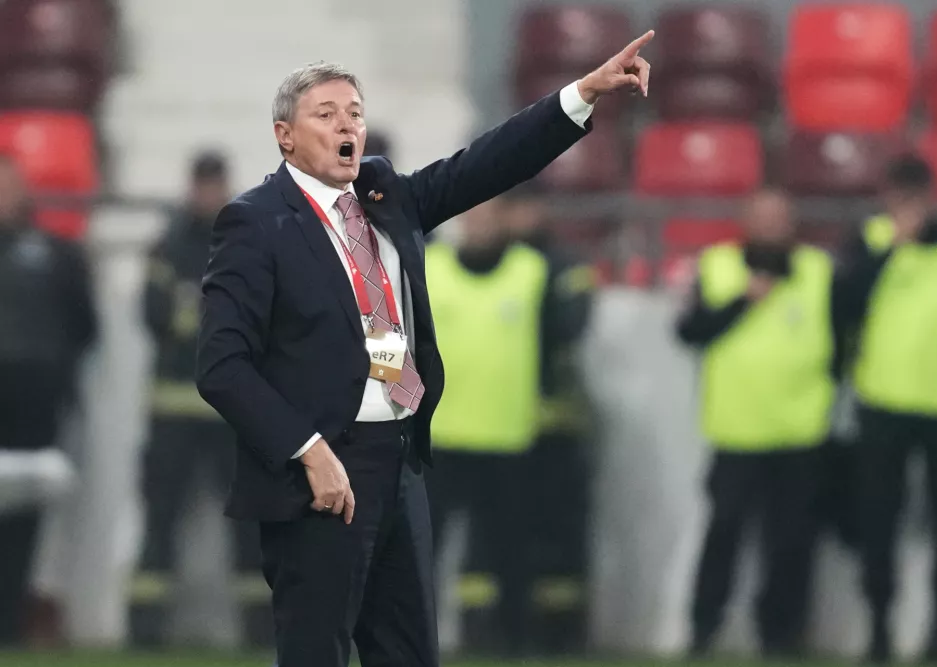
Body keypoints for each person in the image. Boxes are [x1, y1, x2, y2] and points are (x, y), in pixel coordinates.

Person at [195, 33, 653, 667]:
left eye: (354, 111)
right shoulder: (255, 221)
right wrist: (307, 450)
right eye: (325, 114)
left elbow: (488, 164)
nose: (346, 124)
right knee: (314, 653)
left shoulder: (386, 202)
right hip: (323, 470)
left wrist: (582, 93)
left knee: (410, 655)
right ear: (285, 136)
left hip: (400, 461)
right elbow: (221, 366)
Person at [836, 155, 937, 663]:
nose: (905, 209)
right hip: (884, 404)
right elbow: (844, 305)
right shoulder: (870, 243)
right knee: (878, 524)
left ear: (930, 195)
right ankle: (879, 628)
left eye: (914, 198)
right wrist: (888, 251)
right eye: (897, 199)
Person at [675, 187, 837, 659]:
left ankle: (782, 637)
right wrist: (741, 302)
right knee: (722, 537)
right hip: (736, 433)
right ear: (745, 220)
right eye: (762, 217)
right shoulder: (717, 267)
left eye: (779, 218)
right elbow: (690, 332)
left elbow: (844, 342)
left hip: (799, 434)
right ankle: (703, 630)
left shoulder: (820, 271)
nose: (771, 227)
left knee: (790, 546)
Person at [424, 190, 579, 656]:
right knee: (417, 552)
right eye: (470, 216)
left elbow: (561, 338)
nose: (479, 225)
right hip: (438, 438)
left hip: (508, 437)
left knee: (511, 551)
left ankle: (514, 640)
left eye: (488, 216)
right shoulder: (428, 265)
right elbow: (392, 335)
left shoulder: (533, 272)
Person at [136, 151, 259, 645]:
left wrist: (198, 316)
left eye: (215, 184)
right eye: (202, 184)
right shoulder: (167, 247)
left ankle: (260, 634)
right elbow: (152, 316)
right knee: (158, 521)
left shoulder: (249, 243)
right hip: (173, 411)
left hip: (233, 413)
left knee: (251, 525)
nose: (208, 194)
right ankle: (142, 632)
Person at [0, 154, 96, 645]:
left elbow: (82, 326)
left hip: (36, 401)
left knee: (24, 513)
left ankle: (12, 621)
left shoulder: (57, 254)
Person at [505, 183, 596, 652]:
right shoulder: (483, 266)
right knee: (505, 536)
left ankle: (561, 636)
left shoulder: (563, 265)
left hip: (555, 425)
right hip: (497, 427)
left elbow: (571, 326)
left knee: (558, 537)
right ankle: (505, 632)